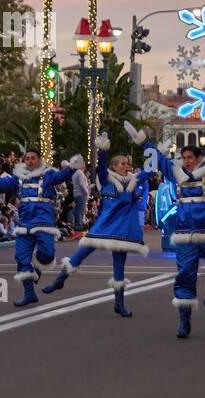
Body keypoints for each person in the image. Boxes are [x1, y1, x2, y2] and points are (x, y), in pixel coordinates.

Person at [41, 130, 153, 318]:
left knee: (119, 266)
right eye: (123, 164)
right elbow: (101, 166)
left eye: (128, 164)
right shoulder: (107, 179)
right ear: (115, 167)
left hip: (122, 231)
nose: (128, 166)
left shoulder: (134, 181)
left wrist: (152, 149)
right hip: (104, 226)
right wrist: (103, 149)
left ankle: (119, 303)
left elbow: (150, 169)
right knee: (80, 253)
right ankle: (59, 280)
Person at [142, 115, 205, 337]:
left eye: (190, 157)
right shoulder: (176, 175)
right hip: (184, 234)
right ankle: (184, 320)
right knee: (185, 275)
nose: (186, 161)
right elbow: (160, 159)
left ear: (200, 158)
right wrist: (144, 142)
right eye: (183, 157)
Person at [0, 147, 83, 307]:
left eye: (33, 158)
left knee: (47, 255)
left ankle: (37, 267)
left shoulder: (48, 175)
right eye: (27, 158)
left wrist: (72, 166)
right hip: (25, 222)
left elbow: (62, 175)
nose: (30, 161)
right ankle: (29, 293)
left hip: (43, 221)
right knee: (21, 258)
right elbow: (0, 182)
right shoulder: (17, 178)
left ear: (39, 160)